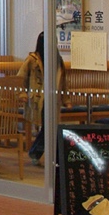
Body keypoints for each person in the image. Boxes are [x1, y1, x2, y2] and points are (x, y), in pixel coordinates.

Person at [17, 31, 63, 165]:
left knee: (51, 127)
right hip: (38, 100)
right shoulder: (32, 59)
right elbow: (20, 78)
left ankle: (38, 152)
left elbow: (63, 82)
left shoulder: (57, 60)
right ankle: (39, 152)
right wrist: (22, 94)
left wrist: (66, 100)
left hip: (53, 98)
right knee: (49, 127)